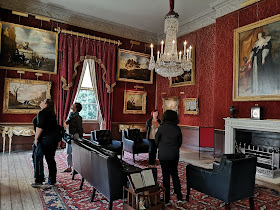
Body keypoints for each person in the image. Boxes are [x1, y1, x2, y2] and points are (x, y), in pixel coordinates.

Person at [155, 110, 182, 204]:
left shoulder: (161, 128)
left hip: (163, 154)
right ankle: (179, 196)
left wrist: (162, 147)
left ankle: (166, 199)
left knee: (165, 176)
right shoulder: (177, 128)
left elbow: (156, 141)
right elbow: (179, 142)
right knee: (175, 174)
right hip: (174, 154)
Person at [31, 99, 59, 188]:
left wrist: (36, 138)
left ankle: (39, 180)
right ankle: (52, 180)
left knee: (37, 158)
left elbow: (40, 127)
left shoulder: (43, 113)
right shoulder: (52, 114)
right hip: (53, 139)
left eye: (42, 101)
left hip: (43, 139)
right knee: (50, 159)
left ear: (46, 104)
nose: (41, 102)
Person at [62, 102, 83, 173]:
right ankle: (69, 167)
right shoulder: (70, 115)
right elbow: (66, 123)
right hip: (69, 135)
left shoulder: (78, 117)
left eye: (73, 105)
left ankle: (76, 168)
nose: (71, 105)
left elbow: (80, 128)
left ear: (76, 108)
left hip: (75, 135)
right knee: (68, 151)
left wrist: (80, 137)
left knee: (75, 152)